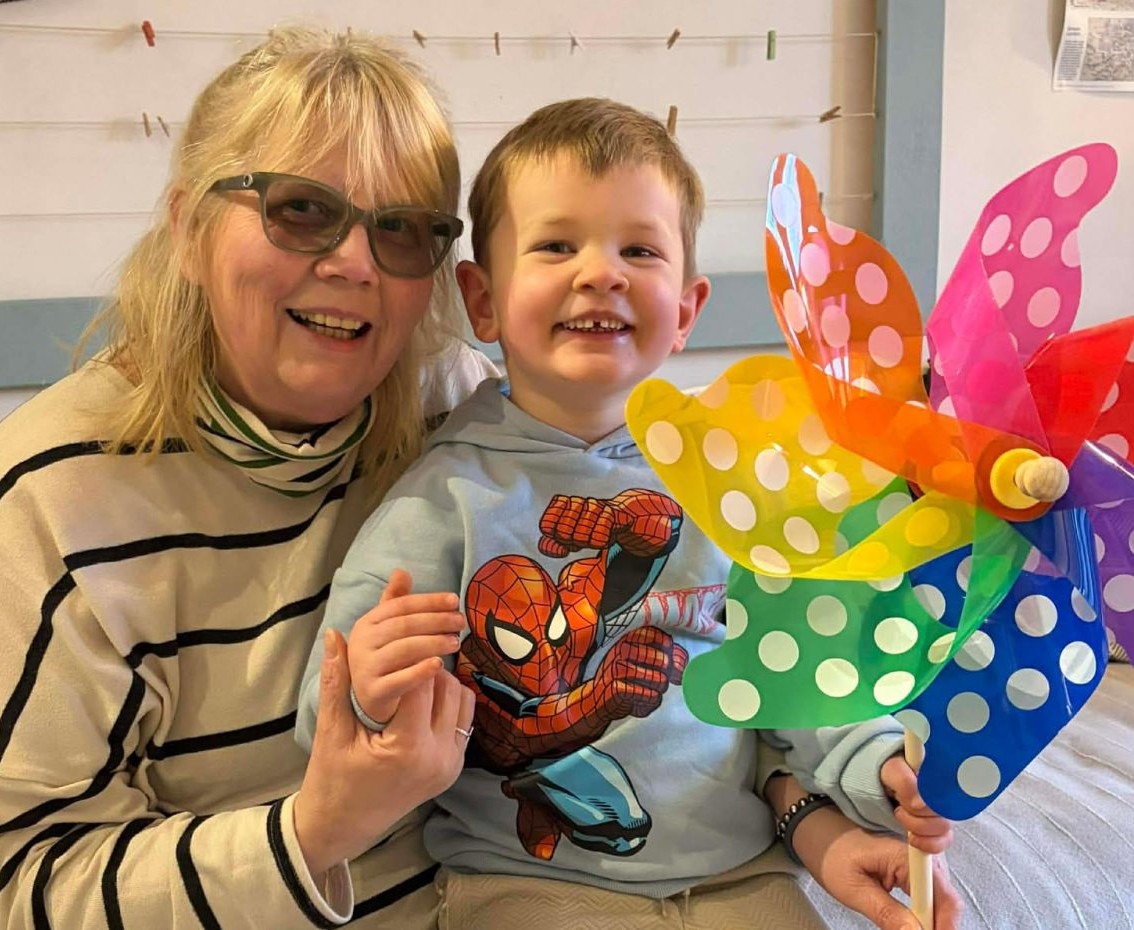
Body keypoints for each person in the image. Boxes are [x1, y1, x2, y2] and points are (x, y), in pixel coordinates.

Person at [297, 98, 963, 930]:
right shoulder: (441, 499)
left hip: (743, 873)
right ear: (482, 299)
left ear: (685, 310)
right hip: (524, 886)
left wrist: (876, 767)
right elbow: (322, 720)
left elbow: (799, 668)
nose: (600, 273)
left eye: (639, 250)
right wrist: (365, 690)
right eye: (556, 245)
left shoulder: (736, 479)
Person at [0, 28, 494, 930]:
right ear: (189, 230)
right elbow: (32, 870)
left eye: (400, 229)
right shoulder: (53, 490)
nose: (355, 263)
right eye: (301, 209)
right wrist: (315, 832)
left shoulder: (459, 413)